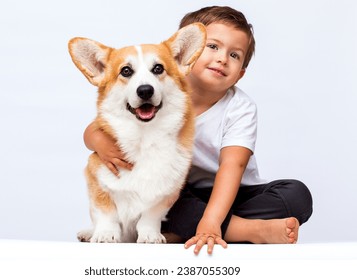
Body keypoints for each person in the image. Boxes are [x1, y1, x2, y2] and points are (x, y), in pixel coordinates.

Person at [83, 6, 313, 254]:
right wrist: (99, 142)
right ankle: (250, 230)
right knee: (172, 201)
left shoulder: (240, 107)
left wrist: (212, 219)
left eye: (234, 55)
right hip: (182, 192)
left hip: (235, 190)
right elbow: (98, 128)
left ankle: (201, 227)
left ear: (240, 74)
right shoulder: (163, 96)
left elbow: (232, 167)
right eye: (212, 46)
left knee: (297, 196)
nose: (222, 58)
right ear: (186, 56)